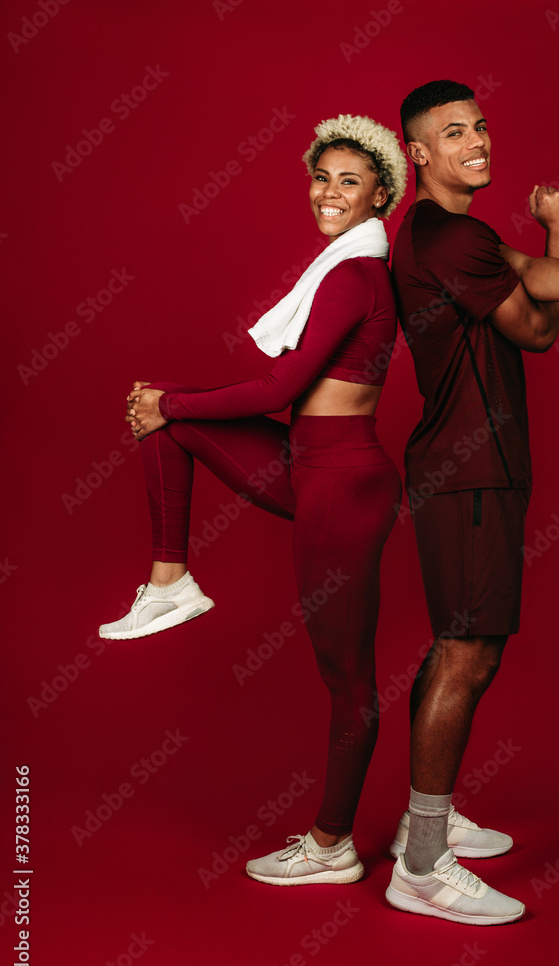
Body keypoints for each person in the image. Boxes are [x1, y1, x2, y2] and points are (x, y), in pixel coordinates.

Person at [98, 114, 408, 885]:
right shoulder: (344, 267)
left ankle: (332, 844)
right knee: (165, 423)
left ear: (380, 198)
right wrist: (169, 404)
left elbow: (282, 387)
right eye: (322, 176)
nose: (329, 192)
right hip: (307, 463)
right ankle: (170, 584)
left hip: (343, 482)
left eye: (350, 181)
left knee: (345, 677)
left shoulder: (355, 275)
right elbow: (275, 402)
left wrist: (173, 401)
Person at [386, 80, 559, 925]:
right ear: (419, 153)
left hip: (479, 470)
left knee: (455, 644)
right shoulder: (442, 233)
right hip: (469, 474)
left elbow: (530, 298)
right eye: (453, 133)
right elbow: (535, 322)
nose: (478, 141)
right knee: (469, 654)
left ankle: (424, 817)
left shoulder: (466, 236)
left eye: (482, 125)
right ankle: (422, 862)